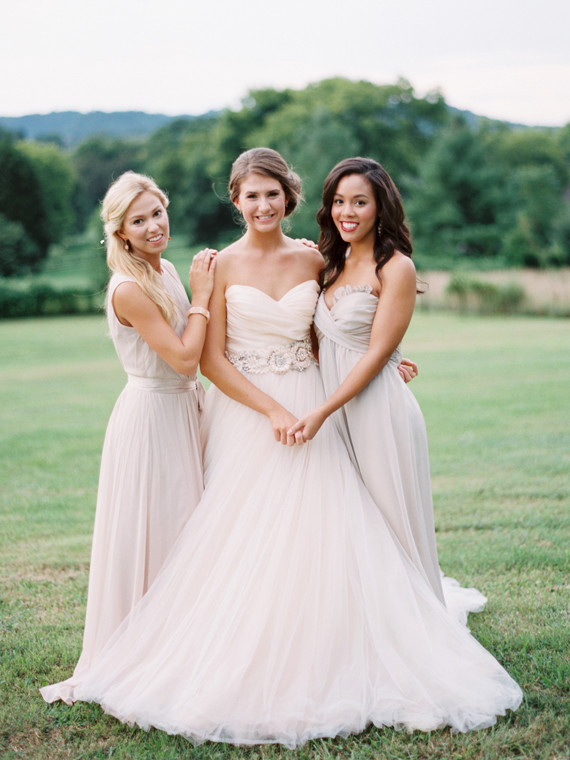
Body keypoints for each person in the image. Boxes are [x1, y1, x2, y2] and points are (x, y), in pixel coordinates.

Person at [50, 150, 521, 747]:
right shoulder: (218, 267)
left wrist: (382, 362)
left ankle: (332, 638)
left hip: (312, 401)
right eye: (251, 195)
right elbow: (210, 360)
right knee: (237, 532)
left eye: (272, 194)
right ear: (236, 200)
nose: (263, 205)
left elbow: (332, 328)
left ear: (290, 197)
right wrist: (271, 409)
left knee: (330, 522)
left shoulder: (314, 258)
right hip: (246, 412)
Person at [40, 172, 216, 704]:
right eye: (138, 220)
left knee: (191, 528)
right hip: (152, 418)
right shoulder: (129, 288)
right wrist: (203, 295)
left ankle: (188, 644)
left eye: (156, 212)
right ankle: (149, 653)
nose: (153, 225)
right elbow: (183, 357)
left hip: (183, 409)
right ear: (120, 232)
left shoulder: (165, 270)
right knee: (163, 527)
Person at [289, 157, 487, 622]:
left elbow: (377, 352)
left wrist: (323, 410)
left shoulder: (396, 267)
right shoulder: (327, 262)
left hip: (376, 410)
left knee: (389, 519)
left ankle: (410, 623)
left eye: (360, 201)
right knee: (347, 519)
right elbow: (324, 339)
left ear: (381, 207)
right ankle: (361, 619)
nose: (347, 212)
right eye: (339, 201)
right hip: (334, 406)